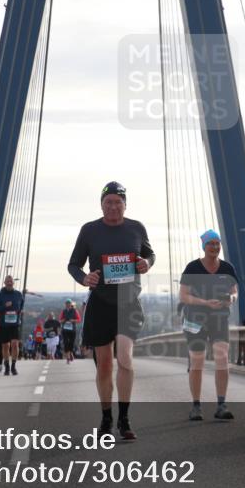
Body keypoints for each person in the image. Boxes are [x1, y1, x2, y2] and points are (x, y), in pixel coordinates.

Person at [67, 181, 155, 440]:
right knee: (104, 366)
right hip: (100, 303)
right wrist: (85, 278)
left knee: (125, 359)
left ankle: (124, 419)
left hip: (128, 303)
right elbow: (73, 264)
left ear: (125, 205)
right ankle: (107, 417)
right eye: (109, 202)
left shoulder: (136, 228)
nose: (113, 206)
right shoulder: (90, 230)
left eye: (118, 202)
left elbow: (150, 254)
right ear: (101, 205)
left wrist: (146, 263)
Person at [179, 229, 239, 421]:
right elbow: (184, 296)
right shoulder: (192, 268)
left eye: (217, 243)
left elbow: (235, 292)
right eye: (210, 244)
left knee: (222, 357)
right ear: (204, 246)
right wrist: (205, 303)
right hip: (195, 319)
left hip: (220, 318)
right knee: (198, 360)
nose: (214, 247)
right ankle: (196, 406)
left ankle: (222, 404)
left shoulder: (227, 268)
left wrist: (231, 298)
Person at [0, 275, 24, 375]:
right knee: (5, 346)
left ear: (13, 283)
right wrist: (4, 306)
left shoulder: (19, 294)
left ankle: (13, 366)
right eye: (7, 281)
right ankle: (6, 366)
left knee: (15, 345)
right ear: (4, 283)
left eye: (10, 281)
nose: (9, 283)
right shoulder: (1, 295)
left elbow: (21, 307)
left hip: (15, 324)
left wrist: (19, 312)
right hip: (4, 324)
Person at [60, 299, 81, 364]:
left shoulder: (75, 311)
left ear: (71, 304)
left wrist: (73, 320)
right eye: (67, 303)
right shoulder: (63, 311)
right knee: (66, 343)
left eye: (69, 303)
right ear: (65, 304)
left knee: (71, 343)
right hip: (65, 330)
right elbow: (60, 320)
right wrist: (63, 320)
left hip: (72, 330)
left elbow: (79, 320)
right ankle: (68, 358)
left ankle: (71, 352)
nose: (68, 305)